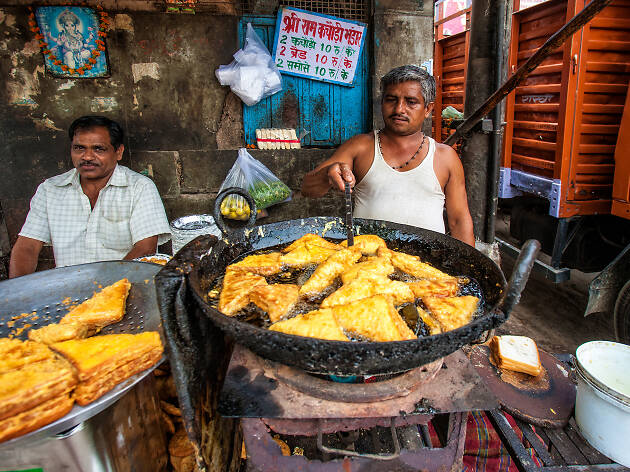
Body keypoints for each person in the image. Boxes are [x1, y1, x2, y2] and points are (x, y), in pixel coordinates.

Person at [301, 65, 474, 246]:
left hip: (425, 266)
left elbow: (459, 221)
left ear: (428, 109)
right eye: (391, 100)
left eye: (411, 102)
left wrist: (471, 272)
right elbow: (307, 188)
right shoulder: (361, 146)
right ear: (382, 102)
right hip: (365, 265)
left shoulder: (445, 157)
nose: (399, 109)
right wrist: (328, 173)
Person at [9, 116, 171, 278]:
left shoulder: (139, 187)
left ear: (118, 152)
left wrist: (102, 290)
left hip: (124, 287)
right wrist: (17, 292)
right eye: (79, 148)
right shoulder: (50, 190)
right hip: (67, 290)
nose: (87, 156)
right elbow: (27, 246)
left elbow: (145, 249)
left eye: (98, 149)